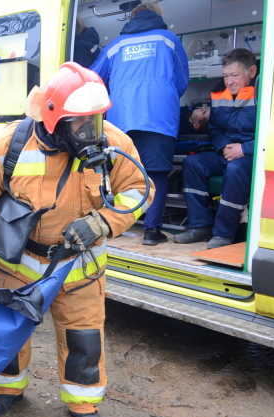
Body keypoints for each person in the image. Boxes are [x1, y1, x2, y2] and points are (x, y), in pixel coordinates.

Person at [0, 63, 151, 417]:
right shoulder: (9, 144)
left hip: (78, 267)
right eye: (82, 124)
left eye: (96, 120)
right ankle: (8, 387)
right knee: (8, 332)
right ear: (53, 120)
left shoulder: (113, 143)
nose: (92, 132)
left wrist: (101, 222)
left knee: (83, 336)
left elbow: (139, 192)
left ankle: (82, 401)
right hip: (17, 265)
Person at [90, 2, 189, 246]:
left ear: (131, 18)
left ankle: (116, 225)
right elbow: (182, 80)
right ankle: (151, 232)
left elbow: (93, 78)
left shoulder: (115, 46)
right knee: (155, 173)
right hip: (158, 117)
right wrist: (163, 97)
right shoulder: (169, 39)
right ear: (158, 16)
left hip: (121, 119)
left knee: (119, 173)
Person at [173, 48, 258, 249]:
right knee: (193, 163)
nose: (229, 81)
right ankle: (200, 226)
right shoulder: (220, 95)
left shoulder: (265, 94)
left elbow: (272, 133)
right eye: (226, 76)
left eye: (234, 75)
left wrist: (244, 148)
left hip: (252, 154)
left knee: (236, 170)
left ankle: (224, 234)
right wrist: (222, 148)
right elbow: (216, 129)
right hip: (226, 152)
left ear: (252, 72)